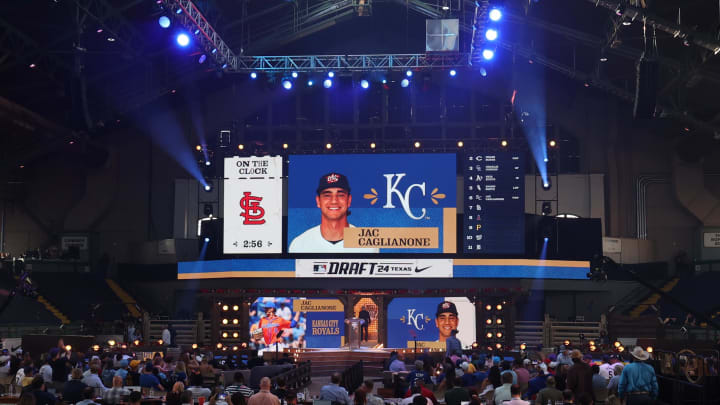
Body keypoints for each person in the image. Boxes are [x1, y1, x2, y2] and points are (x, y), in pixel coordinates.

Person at [289, 172, 378, 253]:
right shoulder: (299, 244)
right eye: (327, 195)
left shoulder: (367, 245)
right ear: (318, 201)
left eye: (340, 195)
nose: (334, 201)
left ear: (349, 200)